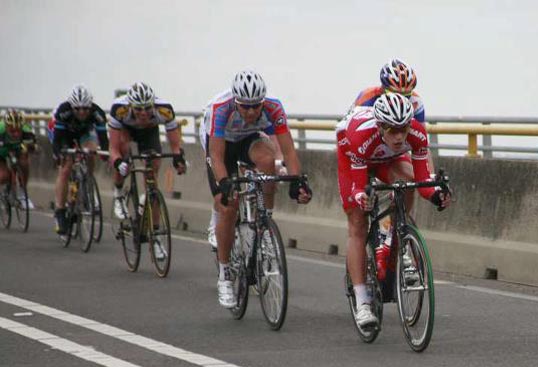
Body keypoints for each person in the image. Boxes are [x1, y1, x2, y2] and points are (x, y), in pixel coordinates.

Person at [337, 93, 450, 327]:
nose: (399, 137)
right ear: (380, 127)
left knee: (407, 182)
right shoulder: (362, 136)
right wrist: (361, 198)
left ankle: (397, 230)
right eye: (392, 130)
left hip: (386, 158)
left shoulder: (417, 133)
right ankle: (362, 303)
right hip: (353, 157)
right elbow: (359, 187)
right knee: (358, 224)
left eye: (404, 129)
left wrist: (437, 195)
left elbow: (422, 181)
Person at [201, 70, 311, 308]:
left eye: (256, 106)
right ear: (235, 102)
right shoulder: (220, 109)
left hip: (248, 139)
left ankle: (265, 223)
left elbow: (288, 150)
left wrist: (296, 181)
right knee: (228, 204)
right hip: (220, 145)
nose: (251, 112)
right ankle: (225, 275)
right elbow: (216, 157)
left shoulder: (273, 106)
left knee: (268, 162)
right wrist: (225, 185)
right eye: (245, 107)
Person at [108, 82, 186, 259]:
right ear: (131, 106)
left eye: (147, 108)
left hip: (149, 133)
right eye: (138, 109)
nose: (143, 113)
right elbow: (113, 149)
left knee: (152, 178)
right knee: (124, 150)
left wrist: (178, 160)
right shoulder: (120, 109)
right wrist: (118, 161)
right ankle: (119, 191)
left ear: (153, 105)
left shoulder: (164, 110)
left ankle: (156, 237)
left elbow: (175, 147)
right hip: (126, 132)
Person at [48, 85, 109, 234]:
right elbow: (58, 142)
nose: (81, 112)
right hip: (62, 133)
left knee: (91, 151)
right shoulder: (63, 111)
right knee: (66, 167)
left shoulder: (97, 113)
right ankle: (60, 211)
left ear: (90, 107)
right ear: (72, 107)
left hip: (84, 132)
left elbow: (103, 140)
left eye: (85, 109)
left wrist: (104, 154)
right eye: (78, 109)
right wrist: (58, 154)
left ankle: (87, 183)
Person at [0, 109, 36, 208]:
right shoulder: (0, 129)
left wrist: (31, 147)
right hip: (1, 152)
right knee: (3, 176)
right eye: (12, 131)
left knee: (24, 161)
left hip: (17, 149)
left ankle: (22, 193)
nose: (16, 134)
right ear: (6, 127)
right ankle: (5, 191)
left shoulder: (26, 129)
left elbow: (33, 146)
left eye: (18, 130)